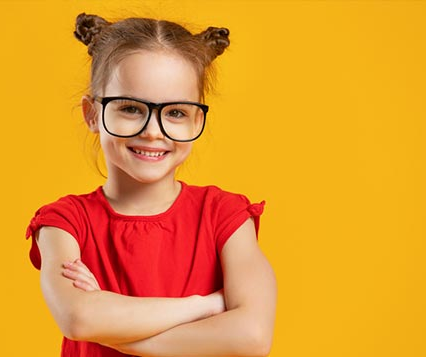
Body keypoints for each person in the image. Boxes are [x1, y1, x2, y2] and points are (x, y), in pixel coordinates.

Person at [26, 12, 277, 357]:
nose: (153, 131)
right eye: (130, 108)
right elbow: (80, 317)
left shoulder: (225, 217)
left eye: (175, 112)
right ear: (92, 114)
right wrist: (203, 306)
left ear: (197, 120)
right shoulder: (65, 223)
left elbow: (252, 335)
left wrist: (114, 328)